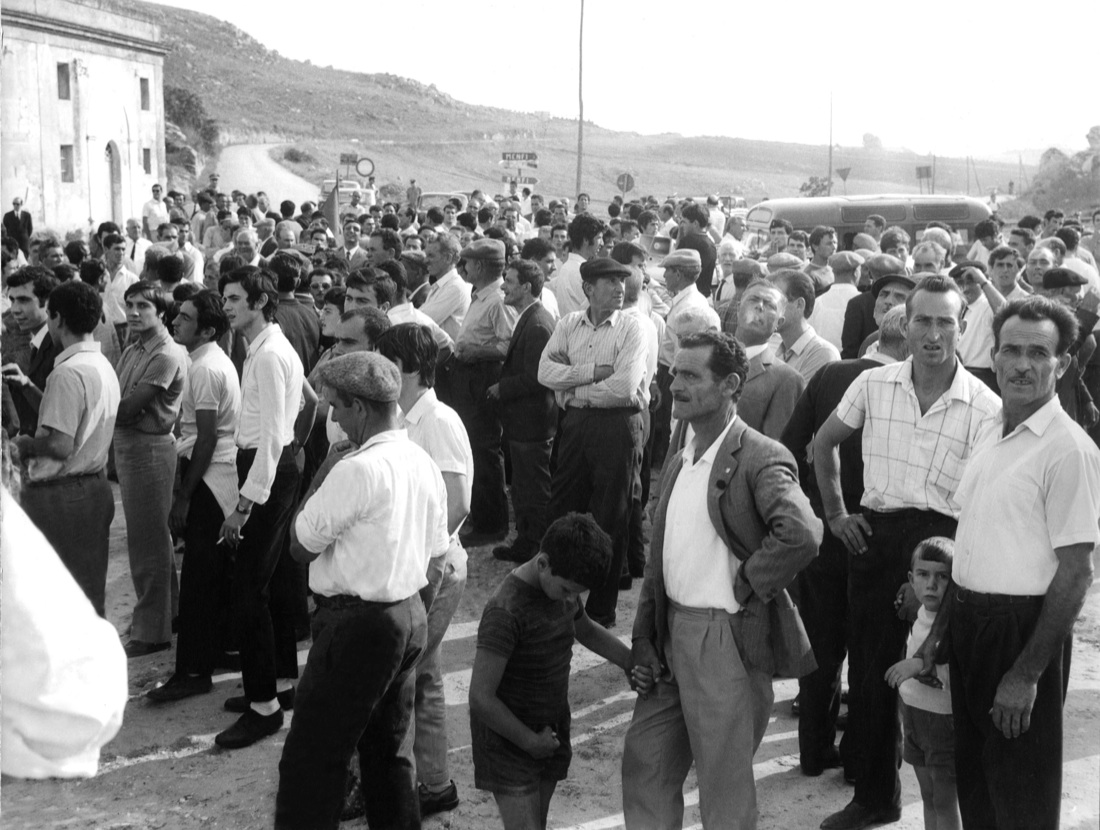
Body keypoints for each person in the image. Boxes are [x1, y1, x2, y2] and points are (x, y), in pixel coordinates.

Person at [814, 276, 1001, 830]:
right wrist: (837, 515)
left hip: (945, 542)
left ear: (962, 326)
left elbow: (983, 498)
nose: (934, 333)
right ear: (904, 325)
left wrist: (944, 565)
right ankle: (874, 797)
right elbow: (822, 444)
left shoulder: (985, 405)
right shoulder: (873, 385)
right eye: (923, 320)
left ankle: (952, 805)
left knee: (941, 673)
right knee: (872, 671)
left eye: (946, 321)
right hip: (876, 534)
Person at [622, 330, 822, 829]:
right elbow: (659, 558)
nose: (675, 384)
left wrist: (748, 582)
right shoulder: (681, 452)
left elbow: (802, 533)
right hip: (671, 635)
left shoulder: (759, 455)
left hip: (724, 640)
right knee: (647, 765)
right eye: (673, 372)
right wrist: (646, 634)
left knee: (723, 786)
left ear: (731, 383)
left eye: (691, 375)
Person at [274, 351, 449, 830]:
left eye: (335, 406)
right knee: (388, 754)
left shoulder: (355, 469)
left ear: (360, 407)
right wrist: (406, 612)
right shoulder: (421, 461)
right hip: (406, 614)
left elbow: (299, 545)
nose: (331, 417)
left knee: (312, 760)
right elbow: (438, 556)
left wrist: (324, 472)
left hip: (356, 624)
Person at [948, 296, 1100, 829]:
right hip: (970, 624)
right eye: (1011, 350)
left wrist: (1026, 673)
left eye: (1039, 353)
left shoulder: (1069, 450)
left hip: (1019, 633)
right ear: (993, 353)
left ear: (1062, 365)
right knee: (978, 788)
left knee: (1022, 798)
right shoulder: (994, 426)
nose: (1022, 364)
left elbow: (1077, 572)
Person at [780, 305, 910, 780]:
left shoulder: (830, 373)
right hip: (883, 536)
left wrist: (816, 509)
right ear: (907, 341)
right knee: (875, 655)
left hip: (827, 533)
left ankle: (814, 752)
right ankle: (862, 762)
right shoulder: (910, 390)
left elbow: (790, 445)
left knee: (821, 649)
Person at [471, 513, 644, 830]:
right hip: (509, 743)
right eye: (566, 589)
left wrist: (629, 660)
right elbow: (481, 698)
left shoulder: (563, 590)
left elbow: (587, 631)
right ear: (542, 564)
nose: (570, 599)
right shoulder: (505, 610)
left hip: (548, 731)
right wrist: (528, 741)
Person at [375, 323, 473, 817]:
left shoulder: (437, 420)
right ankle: (434, 783)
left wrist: (417, 560)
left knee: (409, 678)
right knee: (424, 674)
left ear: (410, 368)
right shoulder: (403, 417)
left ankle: (424, 783)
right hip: (418, 563)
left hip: (434, 566)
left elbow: (457, 502)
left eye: (386, 362)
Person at [215, 267, 311, 750]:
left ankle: (263, 708)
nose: (227, 306)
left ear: (259, 300)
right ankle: (277, 684)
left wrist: (244, 505)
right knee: (267, 585)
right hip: (267, 466)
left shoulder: (271, 354)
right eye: (225, 298)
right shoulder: (261, 348)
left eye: (235, 298)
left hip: (266, 471)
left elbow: (275, 435)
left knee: (249, 591)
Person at [538, 257, 647, 628]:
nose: (620, 288)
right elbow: (544, 372)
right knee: (562, 506)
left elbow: (624, 388)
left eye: (622, 281)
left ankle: (601, 609)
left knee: (610, 515)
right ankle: (553, 593)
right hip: (577, 425)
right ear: (588, 289)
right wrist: (591, 373)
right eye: (610, 282)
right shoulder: (569, 323)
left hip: (617, 427)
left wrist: (575, 389)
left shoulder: (633, 329)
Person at [147, 290, 241, 702]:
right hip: (209, 471)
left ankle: (193, 672)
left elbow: (205, 439)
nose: (175, 323)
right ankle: (211, 653)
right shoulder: (204, 360)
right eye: (177, 316)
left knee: (200, 579)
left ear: (207, 329)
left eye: (184, 318)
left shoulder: (205, 368)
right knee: (209, 575)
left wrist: (183, 497)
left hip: (210, 476)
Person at [0, 485, 127, 779]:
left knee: (65, 617)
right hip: (57, 493)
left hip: (72, 493)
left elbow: (59, 446)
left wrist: (27, 444)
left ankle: (71, 730)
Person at [13, 281, 120, 616]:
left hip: (62, 497)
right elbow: (71, 424)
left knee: (61, 607)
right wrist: (29, 386)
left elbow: (59, 445)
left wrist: (23, 444)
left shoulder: (67, 372)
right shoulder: (99, 364)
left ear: (56, 318)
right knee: (88, 599)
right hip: (92, 488)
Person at [114, 282, 188, 658]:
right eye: (129, 304)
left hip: (149, 448)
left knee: (148, 543)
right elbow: (120, 400)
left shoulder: (166, 353)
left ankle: (151, 631)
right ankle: (168, 615)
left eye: (143, 305)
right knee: (149, 538)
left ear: (162, 312)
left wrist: (120, 405)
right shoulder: (133, 347)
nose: (133, 311)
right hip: (131, 447)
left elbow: (126, 409)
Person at [884, 538, 959, 830]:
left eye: (942, 576)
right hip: (914, 716)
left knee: (944, 799)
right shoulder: (919, 617)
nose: (931, 584)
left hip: (942, 722)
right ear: (911, 581)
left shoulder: (952, 625)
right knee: (928, 796)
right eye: (923, 575)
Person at [488, 259, 557, 563]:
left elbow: (538, 377)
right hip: (525, 422)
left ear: (526, 288)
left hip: (533, 424)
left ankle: (534, 547)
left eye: (510, 281)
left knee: (532, 490)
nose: (503, 286)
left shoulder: (538, 323)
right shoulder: (529, 317)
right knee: (525, 487)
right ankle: (528, 541)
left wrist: (503, 387)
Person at [451, 239, 517, 538]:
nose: (463, 268)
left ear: (479, 266)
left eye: (467, 263)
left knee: (485, 451)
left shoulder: (499, 299)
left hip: (484, 378)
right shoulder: (482, 296)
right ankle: (483, 517)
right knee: (475, 449)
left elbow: (508, 345)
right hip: (471, 379)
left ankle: (493, 524)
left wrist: (477, 352)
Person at [732, 279, 806, 440]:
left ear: (779, 323)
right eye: (753, 299)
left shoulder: (786, 379)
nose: (759, 306)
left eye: (770, 305)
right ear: (738, 309)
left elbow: (774, 449)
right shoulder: (709, 357)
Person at [2, 268, 60, 436]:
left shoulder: (58, 346)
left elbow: (58, 416)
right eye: (12, 300)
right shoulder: (38, 341)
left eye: (23, 300)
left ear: (48, 302)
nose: (15, 309)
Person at [773, 269, 841, 382]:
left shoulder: (822, 353)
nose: (768, 308)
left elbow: (792, 398)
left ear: (799, 305)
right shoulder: (779, 348)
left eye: (776, 301)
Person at [550, 213, 605, 317]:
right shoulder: (581, 272)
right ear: (585, 240)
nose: (602, 243)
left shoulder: (568, 267)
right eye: (599, 238)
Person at [420, 234, 471, 341]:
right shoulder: (441, 285)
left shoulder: (455, 288)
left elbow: (421, 321)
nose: (425, 261)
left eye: (431, 256)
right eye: (426, 255)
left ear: (448, 258)